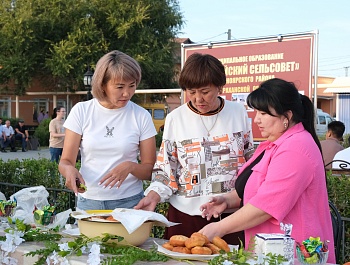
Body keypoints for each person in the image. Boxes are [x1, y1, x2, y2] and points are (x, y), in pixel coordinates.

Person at [198, 78, 335, 263]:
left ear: (286, 116)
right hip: (267, 253)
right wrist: (227, 200)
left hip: (294, 254)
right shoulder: (271, 144)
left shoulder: (297, 148)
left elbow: (266, 206)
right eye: (256, 112)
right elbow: (253, 188)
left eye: (264, 113)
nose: (257, 119)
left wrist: (219, 228)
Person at [134, 53, 255, 245]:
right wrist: (153, 195)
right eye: (191, 91)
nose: (198, 99)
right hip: (185, 217)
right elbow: (167, 168)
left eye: (205, 91)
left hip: (231, 217)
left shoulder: (237, 112)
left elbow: (250, 162)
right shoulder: (176, 118)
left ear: (219, 86)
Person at [58, 50, 157, 210]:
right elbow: (65, 161)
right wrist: (69, 170)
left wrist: (130, 166)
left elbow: (149, 170)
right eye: (119, 87)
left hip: (130, 202)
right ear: (102, 85)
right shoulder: (82, 111)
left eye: (132, 86)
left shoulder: (141, 115)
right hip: (89, 201)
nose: (127, 93)